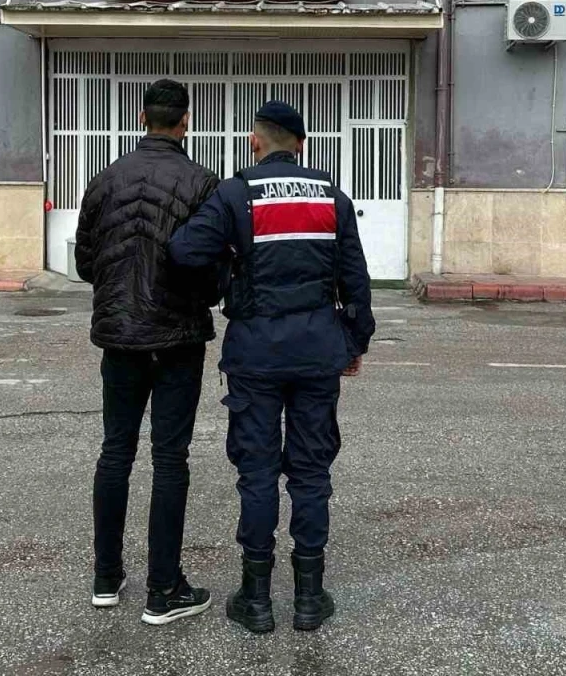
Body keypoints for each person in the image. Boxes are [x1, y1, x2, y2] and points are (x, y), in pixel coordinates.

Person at [168, 100, 375, 634]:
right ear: (302, 145)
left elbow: (185, 250)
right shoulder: (332, 196)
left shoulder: (235, 193)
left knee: (257, 473)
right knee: (311, 472)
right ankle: (309, 598)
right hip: (317, 352)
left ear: (255, 142)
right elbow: (355, 279)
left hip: (255, 354)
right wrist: (354, 342)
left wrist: (228, 267)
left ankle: (256, 599)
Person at [74, 78, 220, 626]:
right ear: (185, 121)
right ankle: (164, 589)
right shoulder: (202, 183)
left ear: (142, 118)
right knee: (170, 458)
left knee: (116, 452)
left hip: (120, 337)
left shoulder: (105, 179)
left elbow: (85, 262)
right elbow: (211, 269)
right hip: (177, 338)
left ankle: (106, 577)